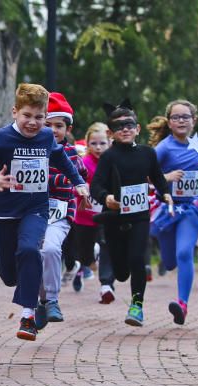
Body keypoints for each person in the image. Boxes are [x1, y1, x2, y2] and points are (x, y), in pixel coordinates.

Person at [0, 83, 89, 341]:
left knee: (29, 250)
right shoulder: (2, 138)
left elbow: (60, 158)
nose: (33, 123)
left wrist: (79, 182)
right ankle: (22, 292)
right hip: (6, 213)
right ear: (15, 112)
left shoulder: (46, 137)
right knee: (9, 275)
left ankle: (28, 315)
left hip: (36, 209)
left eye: (39, 117)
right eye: (27, 116)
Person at [89, 101, 171, 327]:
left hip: (139, 216)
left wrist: (166, 194)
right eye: (119, 126)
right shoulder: (108, 157)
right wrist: (107, 198)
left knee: (137, 259)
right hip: (114, 218)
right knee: (121, 271)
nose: (125, 129)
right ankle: (120, 274)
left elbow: (159, 179)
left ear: (138, 128)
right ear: (110, 132)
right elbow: (96, 185)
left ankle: (137, 306)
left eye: (129, 124)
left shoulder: (147, 154)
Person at [148, 100, 198, 325]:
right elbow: (145, 174)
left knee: (184, 254)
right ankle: (167, 261)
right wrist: (167, 178)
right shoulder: (163, 148)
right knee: (170, 261)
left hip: (192, 209)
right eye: (176, 117)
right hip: (167, 210)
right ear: (169, 122)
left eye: (185, 117)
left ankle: (182, 304)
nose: (181, 121)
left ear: (194, 121)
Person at [35, 92, 86, 328]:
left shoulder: (72, 154)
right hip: (31, 212)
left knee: (51, 249)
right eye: (48, 125)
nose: (54, 130)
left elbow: (74, 178)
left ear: (67, 128)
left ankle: (52, 299)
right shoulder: (29, 149)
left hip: (59, 212)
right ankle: (40, 301)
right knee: (33, 255)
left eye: (59, 125)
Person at [71, 122, 116, 304]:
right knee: (84, 255)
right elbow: (73, 183)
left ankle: (107, 285)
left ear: (109, 143)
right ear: (87, 144)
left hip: (106, 216)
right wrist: (81, 194)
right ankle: (88, 262)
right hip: (84, 217)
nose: (98, 148)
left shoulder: (113, 163)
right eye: (94, 143)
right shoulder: (83, 163)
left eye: (102, 143)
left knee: (108, 245)